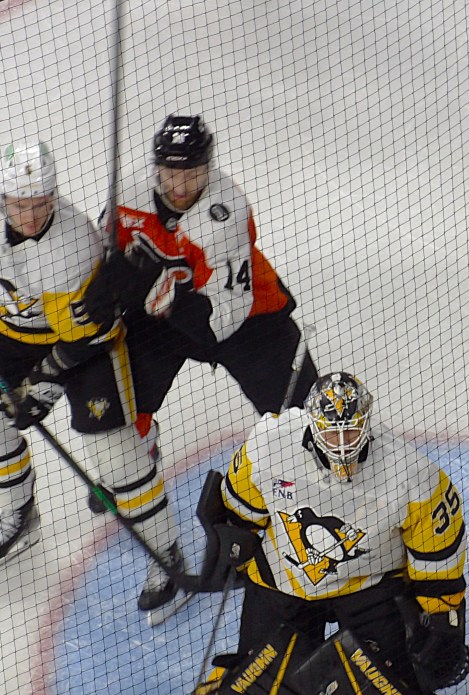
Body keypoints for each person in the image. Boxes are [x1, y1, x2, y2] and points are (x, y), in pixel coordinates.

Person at [161, 372, 469, 695]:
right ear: (312, 425)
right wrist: (229, 548)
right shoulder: (268, 446)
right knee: (255, 687)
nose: (342, 444)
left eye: (351, 431)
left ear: (367, 423)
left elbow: (438, 561)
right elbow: (239, 513)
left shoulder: (413, 476)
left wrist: (442, 620)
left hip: (367, 589)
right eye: (332, 432)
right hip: (282, 583)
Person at [0, 139, 183, 612]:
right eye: (19, 205)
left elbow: (87, 337)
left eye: (40, 203)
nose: (30, 216)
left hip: (86, 344)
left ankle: (164, 552)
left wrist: (41, 385)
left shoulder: (71, 246)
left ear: (54, 195)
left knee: (116, 456)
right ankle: (18, 512)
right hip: (14, 334)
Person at [86, 113, 317, 448]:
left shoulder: (227, 212)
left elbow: (220, 323)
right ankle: (135, 464)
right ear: (156, 168)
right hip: (159, 320)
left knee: (304, 418)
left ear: (209, 167)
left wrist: (160, 294)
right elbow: (107, 256)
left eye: (192, 174)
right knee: (116, 403)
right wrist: (108, 286)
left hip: (248, 320)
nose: (180, 188)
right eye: (171, 174)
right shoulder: (127, 196)